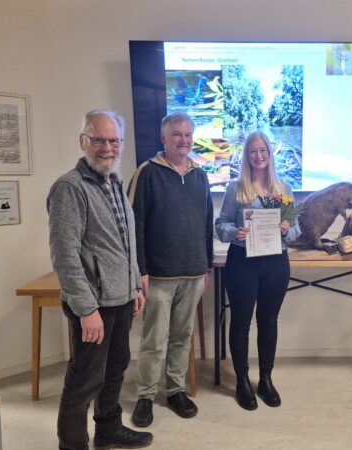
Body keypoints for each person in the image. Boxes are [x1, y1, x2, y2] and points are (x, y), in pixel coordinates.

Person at [48, 110, 152, 449]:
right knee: (84, 380)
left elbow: (125, 243)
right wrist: (85, 309)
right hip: (94, 305)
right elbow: (64, 255)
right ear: (84, 141)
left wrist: (134, 286)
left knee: (115, 370)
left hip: (121, 299)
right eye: (99, 140)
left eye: (114, 141)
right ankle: (72, 445)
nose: (108, 148)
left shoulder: (114, 182)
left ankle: (108, 429)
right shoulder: (69, 188)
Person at [128, 111, 213, 427]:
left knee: (182, 337)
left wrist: (206, 266)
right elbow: (134, 225)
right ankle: (145, 396)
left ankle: (176, 390)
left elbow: (207, 223)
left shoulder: (200, 176)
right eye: (177, 134)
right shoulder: (147, 173)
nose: (184, 140)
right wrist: (140, 272)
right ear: (163, 137)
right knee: (154, 341)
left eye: (188, 135)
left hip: (194, 275)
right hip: (159, 277)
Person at [215, 132, 301, 410]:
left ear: (270, 153)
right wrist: (235, 232)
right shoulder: (235, 189)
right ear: (246, 155)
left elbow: (297, 229)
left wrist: (287, 230)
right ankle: (242, 381)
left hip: (276, 263)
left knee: (269, 321)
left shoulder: (283, 189)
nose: (259, 155)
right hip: (242, 262)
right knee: (241, 322)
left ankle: (265, 379)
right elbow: (220, 225)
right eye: (253, 151)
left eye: (263, 150)